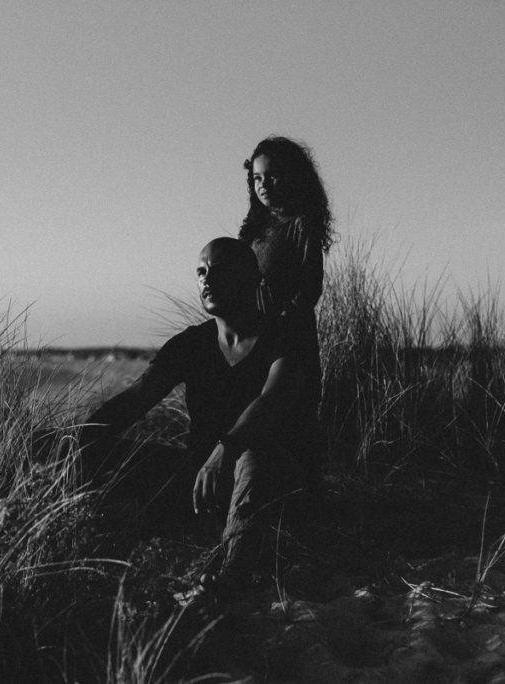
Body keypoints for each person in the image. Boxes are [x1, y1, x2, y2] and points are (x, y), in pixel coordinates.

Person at [81, 237, 307, 601]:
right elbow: (139, 397)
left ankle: (230, 578)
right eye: (201, 272)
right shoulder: (190, 343)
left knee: (252, 458)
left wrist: (226, 448)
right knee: (89, 447)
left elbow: (272, 399)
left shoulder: (283, 338)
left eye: (218, 271)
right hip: (200, 479)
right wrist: (80, 436)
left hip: (267, 477)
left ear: (250, 278)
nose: (206, 280)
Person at [239, 136, 334, 487]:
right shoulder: (256, 226)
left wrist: (280, 318)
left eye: (272, 176)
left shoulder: (301, 223)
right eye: (257, 178)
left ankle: (304, 498)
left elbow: (311, 287)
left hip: (291, 338)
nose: (263, 185)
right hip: (254, 338)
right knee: (257, 413)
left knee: (295, 413)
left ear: (292, 176)